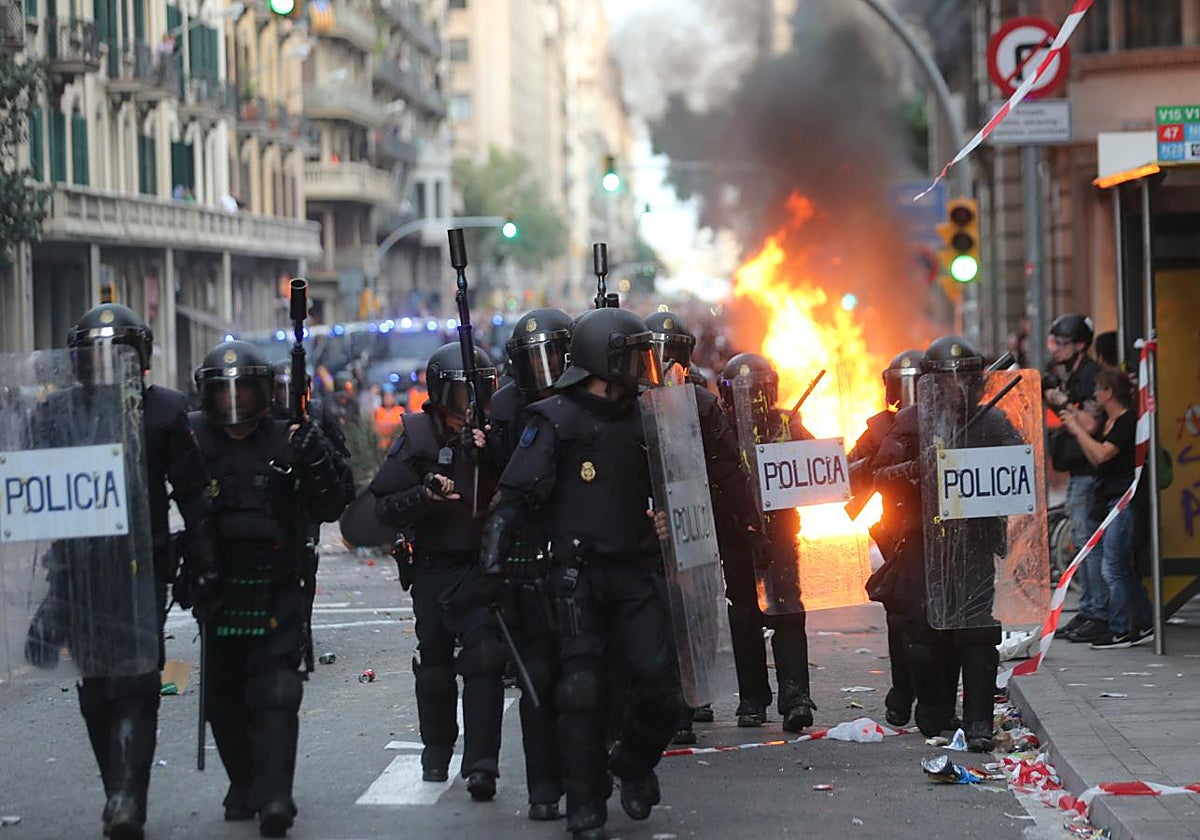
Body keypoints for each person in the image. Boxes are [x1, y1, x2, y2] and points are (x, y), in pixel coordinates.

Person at [479, 307, 681, 840]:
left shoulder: (649, 416)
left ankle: (634, 763)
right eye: (632, 356)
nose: (643, 366)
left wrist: (670, 519)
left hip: (636, 573)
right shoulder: (554, 419)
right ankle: (585, 805)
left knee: (663, 686)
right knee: (581, 691)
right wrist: (492, 567)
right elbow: (513, 497)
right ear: (603, 360)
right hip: (577, 579)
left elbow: (679, 487)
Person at [23, 304, 217, 840]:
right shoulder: (54, 416)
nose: (107, 363)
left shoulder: (163, 411)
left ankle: (131, 797)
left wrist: (202, 558)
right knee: (96, 686)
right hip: (77, 569)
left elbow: (194, 490)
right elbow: (30, 488)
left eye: (119, 353)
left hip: (142, 563)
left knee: (135, 680)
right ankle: (117, 789)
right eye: (95, 353)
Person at [189, 339, 348, 837]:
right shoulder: (191, 440)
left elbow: (333, 503)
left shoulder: (291, 436)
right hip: (219, 589)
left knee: (276, 691)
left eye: (244, 391)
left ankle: (277, 795)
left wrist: (315, 456)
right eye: (223, 393)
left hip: (278, 583)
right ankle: (247, 783)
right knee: (223, 700)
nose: (234, 404)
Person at [368, 343, 507, 800]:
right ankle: (436, 751)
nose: (469, 408)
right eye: (461, 396)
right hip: (432, 568)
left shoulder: (496, 432)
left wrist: (491, 456)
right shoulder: (417, 435)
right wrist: (423, 496)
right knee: (434, 667)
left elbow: (526, 482)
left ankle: (482, 765)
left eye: (477, 394)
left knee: (485, 660)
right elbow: (383, 504)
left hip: (481, 565)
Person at [644, 310, 760, 741]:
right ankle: (671, 701)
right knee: (659, 613)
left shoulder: (703, 403)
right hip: (650, 525)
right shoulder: (629, 403)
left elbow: (730, 468)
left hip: (695, 521)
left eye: (672, 355)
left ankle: (691, 700)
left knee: (697, 610)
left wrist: (747, 521)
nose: (665, 363)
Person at [484, 307, 573, 820]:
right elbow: (504, 489)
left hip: (587, 557)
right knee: (538, 678)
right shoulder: (509, 412)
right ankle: (544, 788)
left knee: (588, 680)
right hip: (528, 562)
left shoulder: (594, 406)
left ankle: (593, 775)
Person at [913, 335, 1019, 752]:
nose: (957, 389)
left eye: (965, 380)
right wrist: (919, 466)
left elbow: (1017, 467)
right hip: (928, 548)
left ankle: (979, 723)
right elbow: (880, 472)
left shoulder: (993, 423)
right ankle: (936, 709)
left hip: (975, 544)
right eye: (947, 381)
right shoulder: (912, 423)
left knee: (977, 636)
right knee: (929, 637)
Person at [715, 353, 817, 732]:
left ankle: (795, 696)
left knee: (787, 610)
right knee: (743, 615)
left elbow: (814, 470)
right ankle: (752, 698)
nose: (752, 398)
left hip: (781, 535)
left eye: (758, 390)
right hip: (735, 536)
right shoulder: (719, 428)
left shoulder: (787, 423)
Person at [848, 348, 925, 727]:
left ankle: (933, 699)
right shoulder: (881, 429)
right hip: (898, 534)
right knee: (901, 618)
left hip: (944, 533)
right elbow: (848, 474)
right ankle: (903, 690)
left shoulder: (950, 421)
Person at [1060, 368, 1155, 649]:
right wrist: (1079, 432)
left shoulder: (1126, 421)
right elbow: (1097, 459)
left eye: (1099, 389)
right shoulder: (1109, 421)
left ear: (1109, 392)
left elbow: (1103, 453)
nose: (1095, 394)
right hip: (1110, 499)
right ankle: (1144, 620)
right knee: (1119, 566)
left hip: (1124, 502)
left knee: (1113, 566)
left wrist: (1078, 429)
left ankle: (1120, 628)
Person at [1044, 314, 1109, 644]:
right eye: (1052, 342)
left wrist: (1062, 401)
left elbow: (1090, 422)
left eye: (1060, 343)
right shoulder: (1073, 374)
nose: (1054, 349)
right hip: (1077, 472)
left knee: (1087, 542)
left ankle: (1099, 611)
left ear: (1080, 344)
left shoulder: (1089, 376)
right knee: (1080, 542)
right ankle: (1088, 609)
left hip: (1089, 473)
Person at [373, 384, 405, 451]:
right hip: (382, 447)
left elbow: (401, 428)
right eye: (386, 396)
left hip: (397, 446)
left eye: (390, 397)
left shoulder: (400, 410)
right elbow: (376, 428)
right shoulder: (378, 411)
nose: (388, 399)